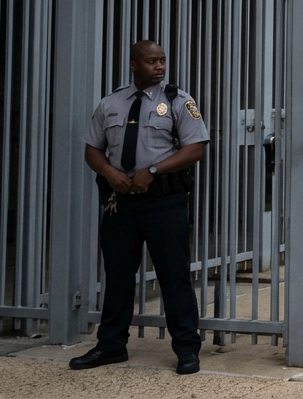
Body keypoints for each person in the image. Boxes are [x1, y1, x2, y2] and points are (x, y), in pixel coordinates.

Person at [70, 40, 208, 375]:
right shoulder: (111, 103)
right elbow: (92, 148)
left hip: (164, 202)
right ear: (134, 65)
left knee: (173, 275)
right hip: (121, 203)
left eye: (162, 60)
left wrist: (154, 170)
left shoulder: (178, 100)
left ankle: (187, 348)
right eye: (151, 61)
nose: (159, 67)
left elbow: (196, 148)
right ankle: (111, 345)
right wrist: (108, 172)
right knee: (117, 276)